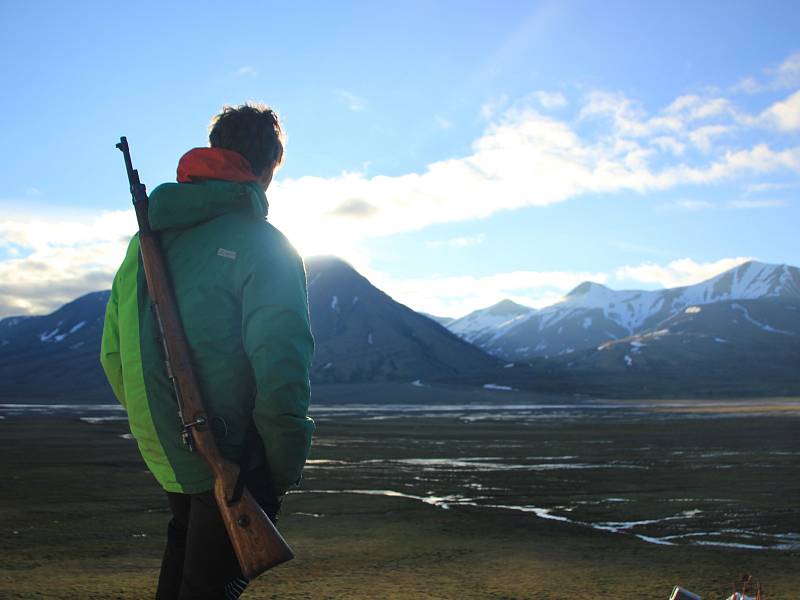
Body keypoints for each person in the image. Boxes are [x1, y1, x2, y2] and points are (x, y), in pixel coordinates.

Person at [100, 103, 315, 599]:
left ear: (214, 153)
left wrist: (165, 437)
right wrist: (275, 472)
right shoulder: (264, 244)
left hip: (175, 459)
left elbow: (114, 354)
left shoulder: (144, 244)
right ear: (267, 170)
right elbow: (282, 369)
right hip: (238, 458)